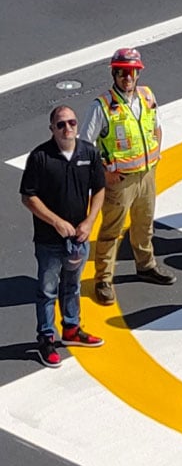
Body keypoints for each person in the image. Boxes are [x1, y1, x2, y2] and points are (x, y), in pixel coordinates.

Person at [80, 48, 176, 306]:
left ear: (138, 73)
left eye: (131, 72)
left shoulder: (147, 96)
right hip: (119, 181)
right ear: (114, 73)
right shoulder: (101, 106)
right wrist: (104, 173)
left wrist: (154, 160)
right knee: (111, 230)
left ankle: (146, 266)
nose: (127, 77)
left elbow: (156, 127)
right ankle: (103, 279)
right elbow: (85, 146)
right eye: (122, 72)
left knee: (144, 224)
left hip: (147, 175)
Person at [20, 106, 106, 368]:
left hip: (78, 239)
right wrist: (55, 221)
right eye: (60, 125)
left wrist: (90, 222)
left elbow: (100, 189)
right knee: (47, 291)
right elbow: (28, 196)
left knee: (73, 286)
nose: (67, 128)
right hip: (49, 240)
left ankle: (71, 329)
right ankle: (46, 338)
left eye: (71, 123)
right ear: (52, 129)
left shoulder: (88, 153)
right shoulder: (40, 157)